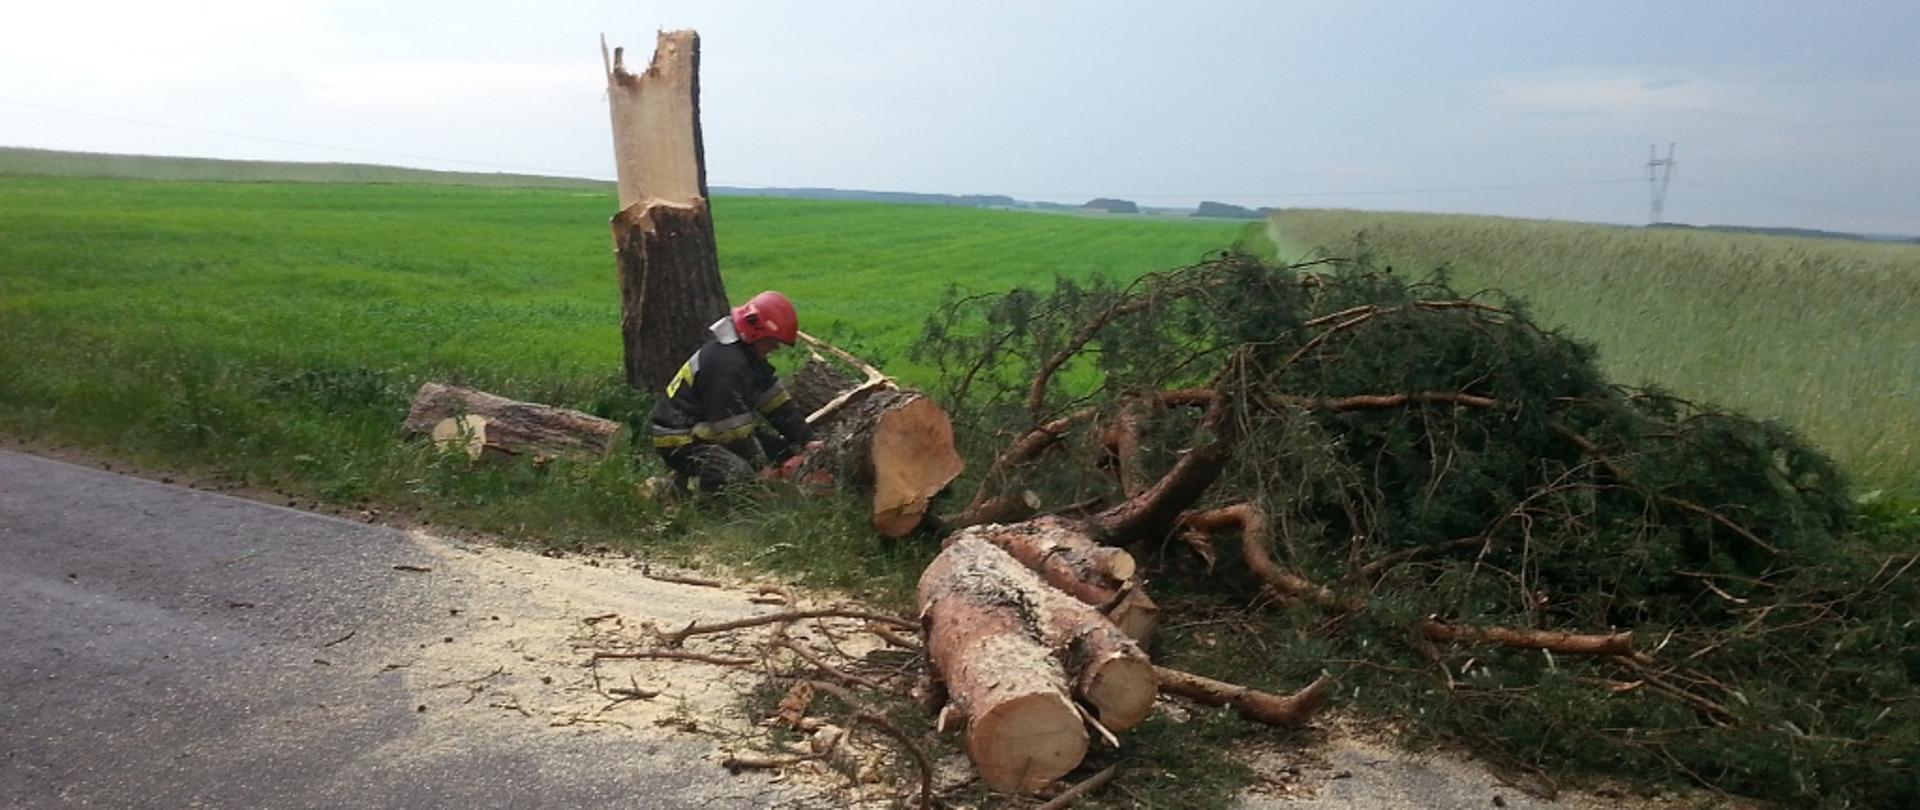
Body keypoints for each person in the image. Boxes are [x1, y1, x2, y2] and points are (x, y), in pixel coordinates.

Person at [649, 291, 819, 493]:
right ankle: (682, 493)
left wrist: (807, 439)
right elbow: (732, 431)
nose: (775, 347)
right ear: (756, 331)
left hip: (706, 431)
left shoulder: (748, 358)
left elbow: (776, 404)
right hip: (681, 440)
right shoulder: (727, 364)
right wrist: (760, 469)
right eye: (772, 340)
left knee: (780, 452)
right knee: (738, 474)